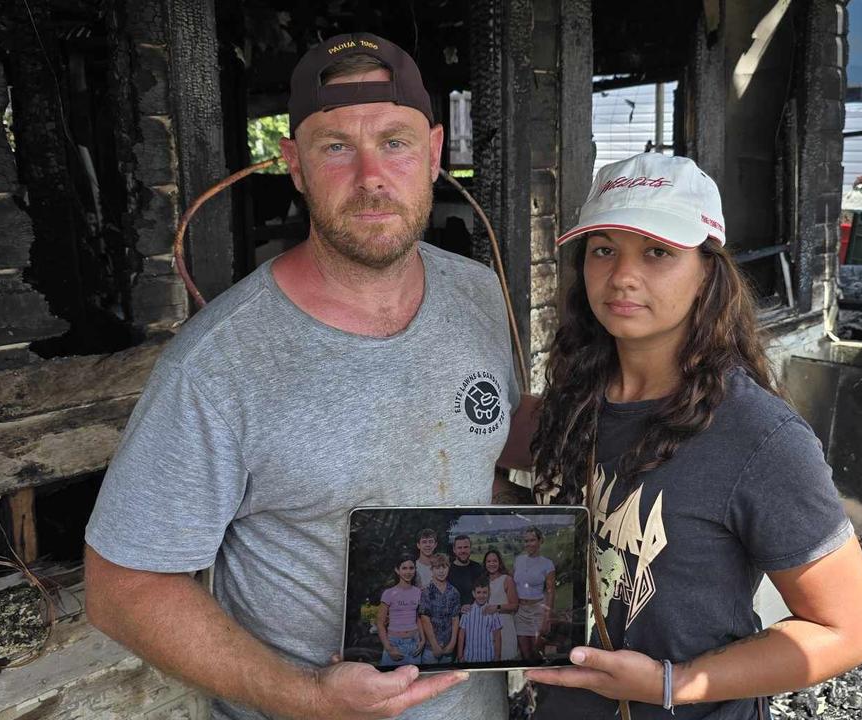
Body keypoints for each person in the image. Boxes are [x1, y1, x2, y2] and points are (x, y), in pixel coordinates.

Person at [83, 31, 534, 720]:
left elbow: (483, 471)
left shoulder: (477, 296)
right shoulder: (220, 363)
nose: (370, 176)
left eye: (395, 141)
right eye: (334, 147)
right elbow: (123, 588)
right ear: (293, 163)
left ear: (435, 153)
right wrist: (303, 698)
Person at [524, 153, 862, 718]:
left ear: (708, 270)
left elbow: (846, 631)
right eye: (604, 249)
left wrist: (674, 681)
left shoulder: (761, 439)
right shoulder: (574, 400)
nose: (622, 277)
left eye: (658, 251)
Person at [512, 526, 556, 660]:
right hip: (520, 611)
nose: (528, 544)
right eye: (526, 541)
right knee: (524, 653)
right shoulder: (518, 560)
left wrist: (547, 618)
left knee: (536, 653)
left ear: (540, 541)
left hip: (538, 611)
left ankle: (539, 679)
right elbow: (511, 582)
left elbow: (551, 591)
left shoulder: (547, 564)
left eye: (532, 540)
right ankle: (528, 679)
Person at [379, 553, 426, 667]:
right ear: (397, 570)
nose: (408, 572)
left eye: (411, 568)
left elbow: (418, 618)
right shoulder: (389, 593)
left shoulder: (418, 592)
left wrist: (423, 640)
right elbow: (380, 623)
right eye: (404, 568)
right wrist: (389, 648)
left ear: (415, 569)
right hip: (394, 643)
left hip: (414, 643)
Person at [417, 553, 460, 664]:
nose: (441, 571)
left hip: (448, 647)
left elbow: (455, 619)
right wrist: (434, 645)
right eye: (437, 568)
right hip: (430, 648)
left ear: (448, 568)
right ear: (432, 569)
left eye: (444, 567)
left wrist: (452, 643)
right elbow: (425, 619)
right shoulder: (426, 592)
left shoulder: (454, 592)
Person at [482, 548, 519, 661]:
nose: (491, 564)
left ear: (499, 563)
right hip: (488, 626)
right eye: (488, 561)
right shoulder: (483, 581)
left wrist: (497, 607)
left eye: (494, 561)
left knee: (506, 657)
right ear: (485, 564)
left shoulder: (507, 579)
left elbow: (514, 605)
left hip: (505, 625)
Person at [457, 577, 504, 663]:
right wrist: (460, 656)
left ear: (489, 593)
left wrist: (497, 656)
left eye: (484, 592)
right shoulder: (467, 611)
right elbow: (461, 635)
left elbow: (497, 636)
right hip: (469, 657)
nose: (481, 595)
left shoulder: (493, 612)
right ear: (473, 594)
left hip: (488, 657)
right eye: (478, 592)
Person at [447, 534, 485, 603]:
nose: (463, 551)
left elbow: (484, 593)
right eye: (459, 548)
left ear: (470, 548)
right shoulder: (447, 570)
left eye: (466, 547)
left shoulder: (478, 568)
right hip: (454, 612)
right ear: (454, 550)